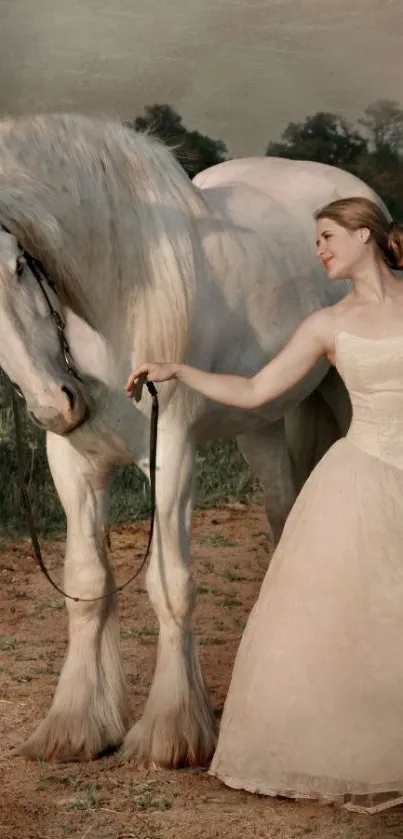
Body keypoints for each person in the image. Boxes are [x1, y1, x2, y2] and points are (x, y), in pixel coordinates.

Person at [126, 197, 403, 814]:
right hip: (361, 479)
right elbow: (255, 389)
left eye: (328, 236)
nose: (320, 250)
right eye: (316, 240)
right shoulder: (326, 324)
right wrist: (179, 370)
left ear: (365, 236)